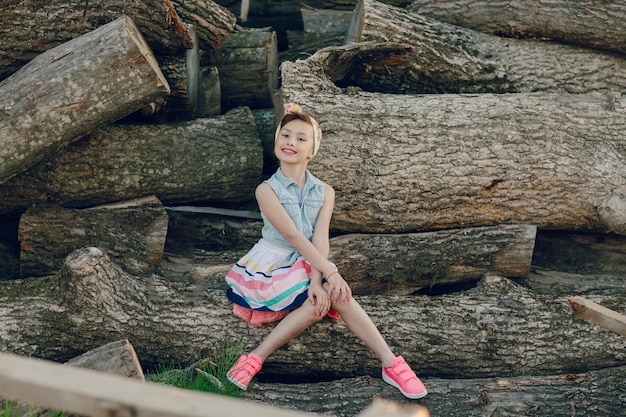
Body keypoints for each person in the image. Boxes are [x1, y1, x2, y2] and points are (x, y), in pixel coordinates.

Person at [224, 103, 427, 399]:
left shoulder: (324, 191)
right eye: (286, 135)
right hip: (273, 263)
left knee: (330, 296)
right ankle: (255, 358)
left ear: (312, 150)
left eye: (301, 138)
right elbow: (293, 236)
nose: (291, 142)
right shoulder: (266, 190)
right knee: (323, 297)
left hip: (310, 259)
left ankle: (391, 363)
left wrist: (319, 280)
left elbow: (320, 239)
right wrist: (329, 271)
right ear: (277, 140)